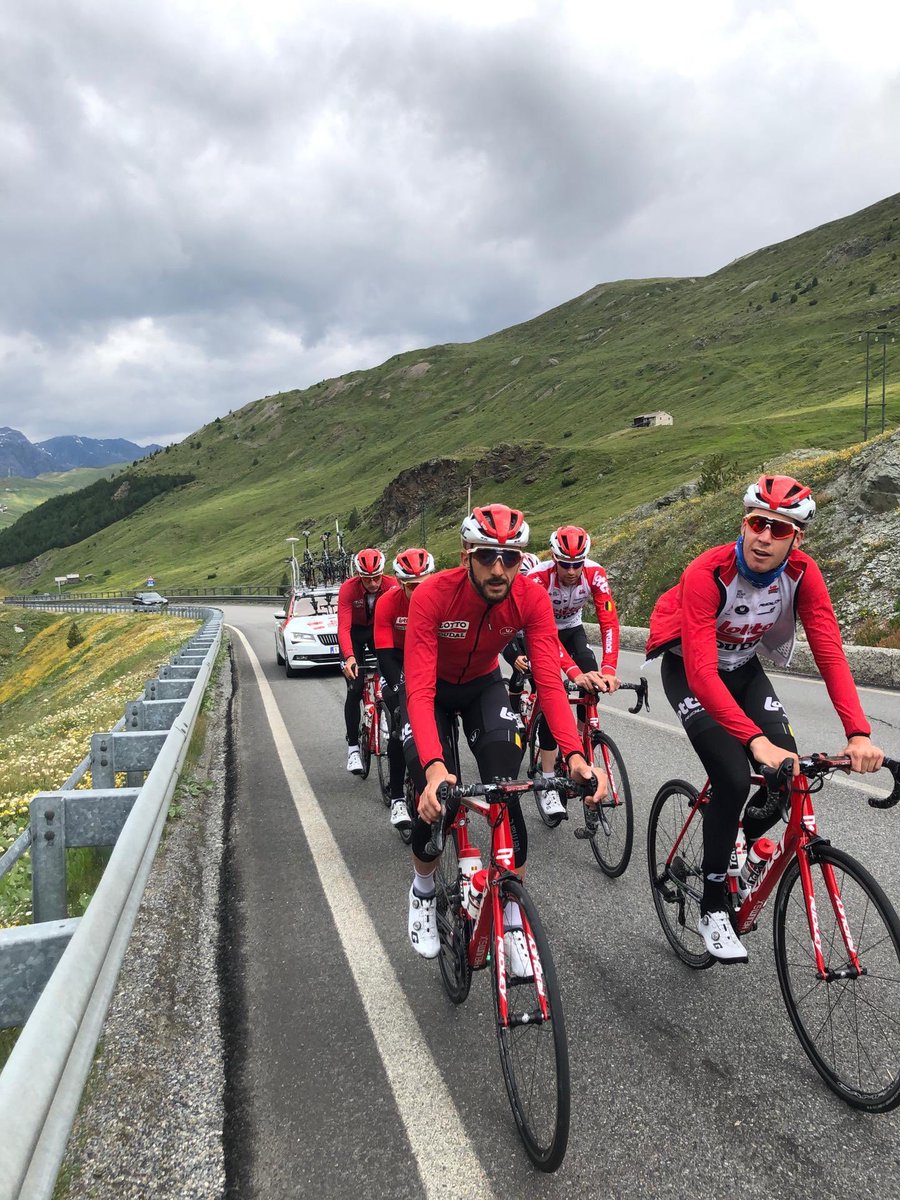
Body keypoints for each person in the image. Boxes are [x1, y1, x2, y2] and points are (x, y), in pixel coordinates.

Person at [646, 474, 884, 963]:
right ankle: (713, 906)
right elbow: (703, 673)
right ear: (744, 523)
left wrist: (858, 733)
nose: (764, 537)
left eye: (780, 529)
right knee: (733, 777)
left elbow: (830, 653)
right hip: (694, 673)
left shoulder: (803, 574)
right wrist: (754, 742)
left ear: (797, 539)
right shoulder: (706, 573)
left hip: (744, 669)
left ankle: (739, 838)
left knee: (789, 771)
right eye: (758, 523)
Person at [401, 503, 605, 976]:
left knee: (505, 791)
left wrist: (574, 755)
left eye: (510, 557)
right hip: (430, 693)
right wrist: (434, 769)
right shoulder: (433, 595)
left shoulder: (530, 599)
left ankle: (511, 922)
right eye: (488, 556)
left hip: (482, 686)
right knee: (438, 802)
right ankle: (424, 889)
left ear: (521, 559)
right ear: (467, 554)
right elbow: (420, 688)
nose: (499, 568)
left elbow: (550, 684)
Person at [528, 526, 620, 810]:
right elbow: (544, 634)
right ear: (554, 559)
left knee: (591, 676)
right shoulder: (538, 578)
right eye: (565, 564)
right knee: (549, 694)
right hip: (541, 633)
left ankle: (581, 741)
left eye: (577, 564)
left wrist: (609, 669)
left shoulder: (595, 574)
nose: (571, 571)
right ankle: (546, 780)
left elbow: (609, 622)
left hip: (573, 629)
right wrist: (571, 672)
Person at [374, 547, 436, 829]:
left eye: (424, 584)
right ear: (399, 583)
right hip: (396, 661)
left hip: (426, 657)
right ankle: (398, 797)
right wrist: (404, 689)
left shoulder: (441, 600)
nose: (419, 591)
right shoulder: (388, 603)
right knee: (401, 722)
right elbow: (384, 655)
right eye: (412, 586)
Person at [337, 548, 397, 774]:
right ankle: (353, 747)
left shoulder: (392, 585)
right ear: (359, 575)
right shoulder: (348, 589)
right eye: (367, 578)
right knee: (354, 688)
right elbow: (343, 627)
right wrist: (350, 657)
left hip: (377, 632)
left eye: (376, 577)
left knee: (391, 678)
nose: (372, 583)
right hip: (353, 633)